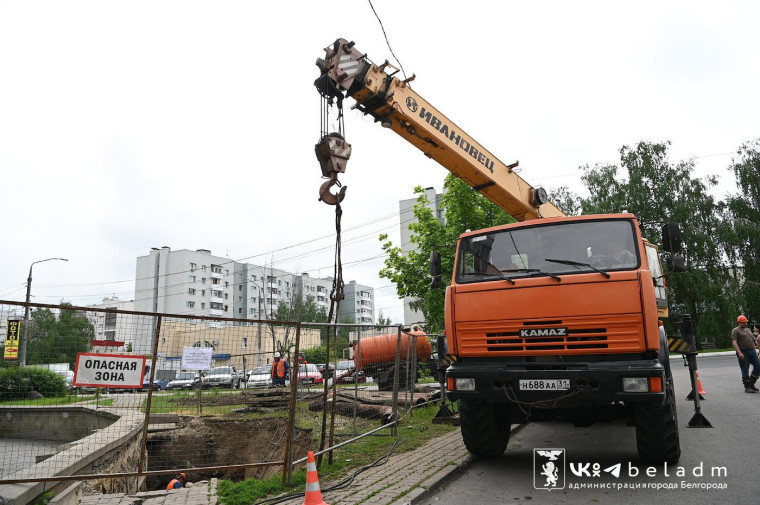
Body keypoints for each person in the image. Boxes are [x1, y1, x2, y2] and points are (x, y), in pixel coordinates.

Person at [731, 315, 760, 393]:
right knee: (745, 369)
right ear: (739, 322)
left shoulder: (748, 330)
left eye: (746, 322)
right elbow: (734, 342)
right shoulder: (736, 330)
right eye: (743, 322)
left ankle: (751, 383)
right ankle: (747, 387)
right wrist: (739, 352)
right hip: (743, 351)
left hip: (752, 351)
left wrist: (755, 350)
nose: (745, 323)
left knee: (758, 366)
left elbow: (752, 340)